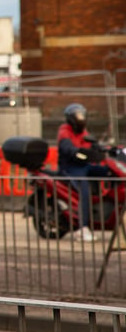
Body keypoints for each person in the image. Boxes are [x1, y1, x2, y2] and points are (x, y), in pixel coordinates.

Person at [57, 103, 111, 241]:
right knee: (84, 188)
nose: (81, 119)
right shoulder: (64, 131)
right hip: (70, 168)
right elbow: (70, 150)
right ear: (71, 118)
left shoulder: (83, 132)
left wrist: (104, 150)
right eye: (78, 116)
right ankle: (82, 227)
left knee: (109, 172)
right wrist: (84, 154)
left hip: (85, 166)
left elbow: (93, 144)